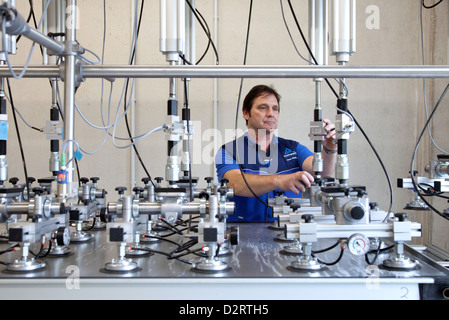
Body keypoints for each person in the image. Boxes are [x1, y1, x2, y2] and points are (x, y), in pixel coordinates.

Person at [215, 84, 337, 222]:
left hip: (290, 233)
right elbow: (235, 183)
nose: (271, 114)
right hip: (242, 234)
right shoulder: (228, 151)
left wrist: (330, 148)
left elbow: (322, 172)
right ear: (246, 113)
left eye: (275, 109)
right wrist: (280, 180)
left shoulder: (293, 148)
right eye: (263, 108)